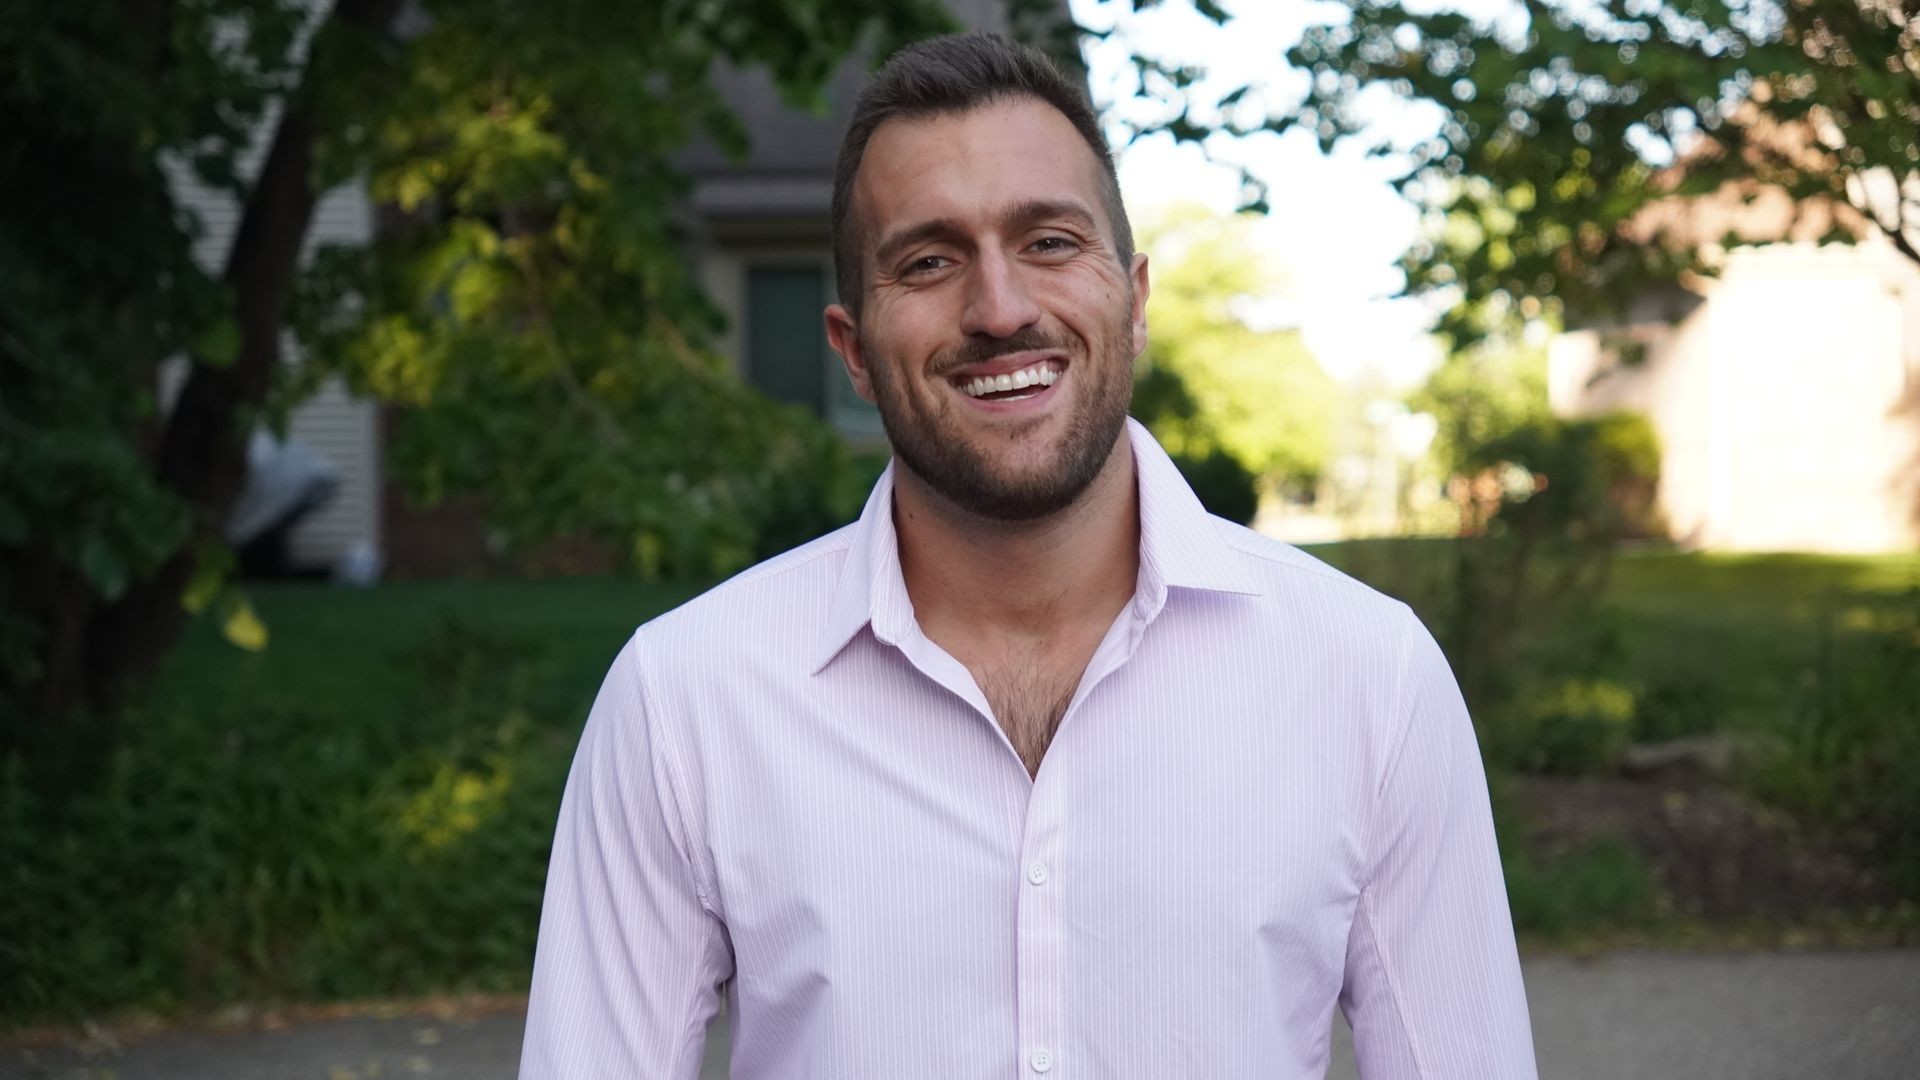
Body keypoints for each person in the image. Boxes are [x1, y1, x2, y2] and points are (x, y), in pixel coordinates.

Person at [519, 31, 1536, 1080]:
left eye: (1049, 242)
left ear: (1134, 301)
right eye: (928, 261)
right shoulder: (685, 698)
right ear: (854, 350)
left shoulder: (1370, 676)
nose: (1000, 309)